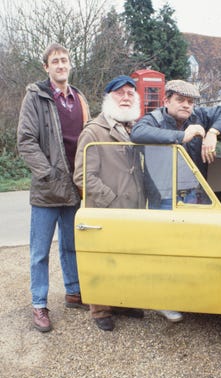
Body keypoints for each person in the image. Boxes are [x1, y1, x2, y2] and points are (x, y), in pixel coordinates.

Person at [130, 79, 221, 322]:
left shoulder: (200, 115)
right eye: (180, 100)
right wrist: (181, 136)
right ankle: (164, 300)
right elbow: (137, 133)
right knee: (166, 249)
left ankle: (192, 297)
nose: (186, 106)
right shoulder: (154, 119)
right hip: (164, 195)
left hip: (195, 192)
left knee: (194, 246)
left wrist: (213, 132)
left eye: (190, 101)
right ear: (166, 101)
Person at [17, 43, 91, 333]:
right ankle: (39, 304)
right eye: (55, 61)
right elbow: (26, 140)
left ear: (70, 65)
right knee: (39, 252)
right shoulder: (36, 97)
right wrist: (47, 173)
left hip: (75, 188)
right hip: (47, 189)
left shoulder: (80, 98)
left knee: (72, 246)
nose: (61, 64)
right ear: (46, 67)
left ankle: (73, 292)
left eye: (64, 60)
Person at [73, 75, 147, 332]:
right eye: (120, 93)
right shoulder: (94, 130)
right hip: (106, 211)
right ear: (108, 98)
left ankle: (124, 302)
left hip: (133, 209)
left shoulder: (135, 128)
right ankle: (101, 309)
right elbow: (82, 175)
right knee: (104, 260)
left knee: (128, 257)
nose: (126, 97)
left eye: (130, 93)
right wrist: (111, 200)